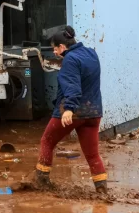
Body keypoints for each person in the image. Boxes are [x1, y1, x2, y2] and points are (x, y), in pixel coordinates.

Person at [35, 26, 107, 193]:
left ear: (62, 47)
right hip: (94, 112)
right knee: (92, 155)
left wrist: (69, 109)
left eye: (55, 48)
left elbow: (73, 86)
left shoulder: (70, 60)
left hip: (74, 112)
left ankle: (40, 183)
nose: (54, 52)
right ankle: (102, 191)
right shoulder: (91, 53)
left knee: (47, 141)